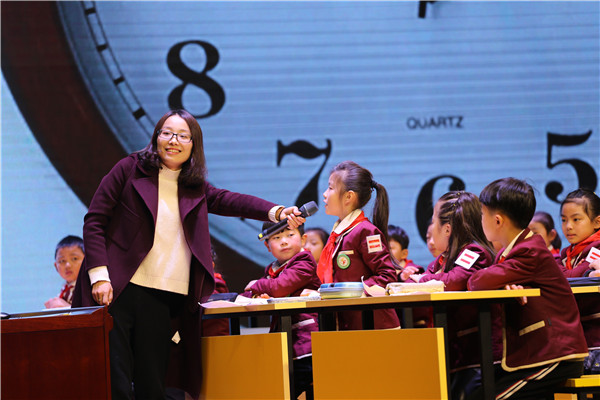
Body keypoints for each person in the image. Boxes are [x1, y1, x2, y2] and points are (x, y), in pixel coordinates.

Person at [71, 109, 304, 400]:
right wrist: (99, 277)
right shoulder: (129, 169)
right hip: (119, 290)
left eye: (183, 136)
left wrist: (276, 211)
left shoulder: (194, 186)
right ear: (156, 137)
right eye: (167, 133)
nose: (173, 141)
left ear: (194, 145)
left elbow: (231, 201)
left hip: (163, 296)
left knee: (152, 385)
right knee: (113, 382)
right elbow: (95, 221)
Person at [467, 178, 588, 400]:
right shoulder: (513, 250)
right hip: (536, 354)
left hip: (555, 355)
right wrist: (503, 282)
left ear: (497, 220)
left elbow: (477, 281)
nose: (480, 220)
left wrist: (499, 280)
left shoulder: (529, 250)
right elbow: (493, 278)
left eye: (482, 214)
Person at [400, 191, 494, 396]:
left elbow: (453, 280)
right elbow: (421, 279)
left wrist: (420, 279)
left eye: (434, 219)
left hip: (474, 355)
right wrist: (411, 277)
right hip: (452, 352)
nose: (431, 225)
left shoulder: (474, 251)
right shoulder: (443, 259)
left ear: (447, 229)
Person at [317, 160, 400, 330]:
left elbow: (387, 276)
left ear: (349, 196)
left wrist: (349, 291)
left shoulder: (366, 231)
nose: (325, 194)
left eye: (330, 188)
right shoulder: (338, 233)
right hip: (348, 323)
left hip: (375, 327)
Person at [243, 222, 321, 400]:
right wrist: (255, 293)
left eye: (290, 235)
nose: (284, 241)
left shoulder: (304, 261)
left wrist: (257, 285)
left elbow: (280, 287)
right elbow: (254, 291)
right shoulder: (273, 268)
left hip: (306, 344)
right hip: (286, 343)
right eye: (277, 237)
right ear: (267, 245)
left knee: (286, 391)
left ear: (303, 239)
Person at [557, 188, 600, 374]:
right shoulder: (566, 253)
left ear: (597, 222)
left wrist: (556, 272)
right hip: (577, 340)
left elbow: (569, 277)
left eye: (576, 219)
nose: (568, 226)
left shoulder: (598, 247)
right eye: (564, 220)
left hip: (596, 341)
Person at [45, 235, 85, 309]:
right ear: (56, 266)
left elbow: (88, 312)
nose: (68, 265)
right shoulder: (65, 288)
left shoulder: (87, 288)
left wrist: (64, 306)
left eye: (74, 259)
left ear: (87, 261)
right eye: (62, 261)